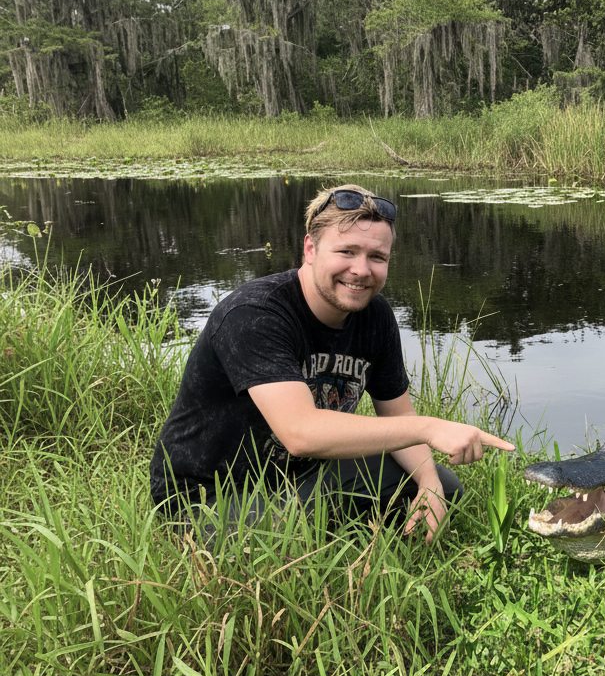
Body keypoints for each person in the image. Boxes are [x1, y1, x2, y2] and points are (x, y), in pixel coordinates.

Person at [149, 183, 513, 542]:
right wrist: (429, 428)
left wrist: (428, 482)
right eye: (347, 251)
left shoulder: (375, 316)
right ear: (310, 249)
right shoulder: (256, 313)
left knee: (444, 488)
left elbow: (399, 415)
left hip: (299, 477)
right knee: (290, 531)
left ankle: (334, 528)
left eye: (377, 257)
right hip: (207, 499)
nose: (361, 270)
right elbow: (301, 433)